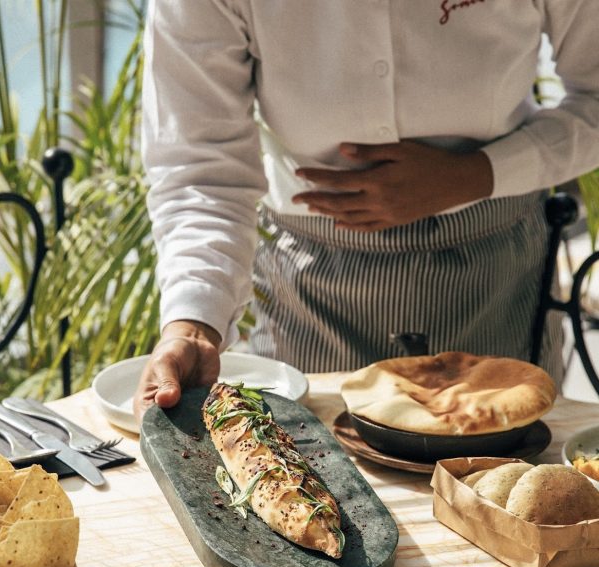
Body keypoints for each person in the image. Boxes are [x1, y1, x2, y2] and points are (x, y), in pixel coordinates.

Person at [134, 0, 599, 421]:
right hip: (308, 295)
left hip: (498, 282)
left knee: (509, 479)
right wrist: (194, 327)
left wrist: (477, 174)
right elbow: (201, 170)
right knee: (305, 473)